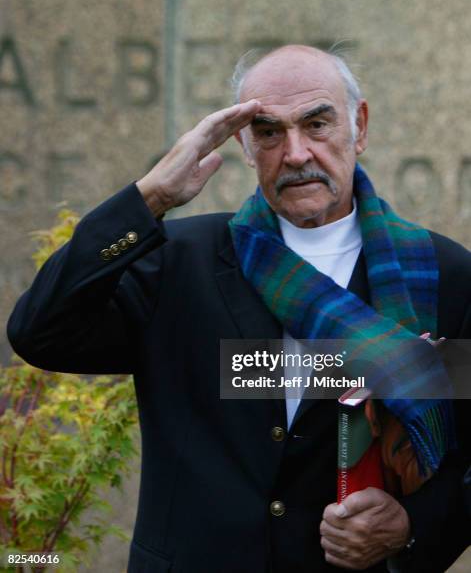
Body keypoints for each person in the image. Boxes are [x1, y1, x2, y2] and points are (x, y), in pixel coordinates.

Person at [7, 45, 471, 573]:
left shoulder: (440, 276)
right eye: (269, 131)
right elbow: (39, 331)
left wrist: (412, 525)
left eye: (317, 124)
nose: (295, 153)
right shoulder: (177, 264)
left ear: (358, 127)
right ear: (245, 146)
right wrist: (151, 198)